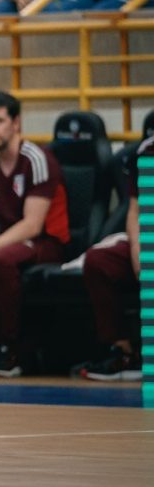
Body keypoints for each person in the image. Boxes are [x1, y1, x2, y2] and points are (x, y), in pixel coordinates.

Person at [0, 90, 69, 377]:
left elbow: (33, 225)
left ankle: (11, 350)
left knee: (3, 259)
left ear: (16, 123)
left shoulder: (36, 158)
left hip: (47, 240)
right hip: (9, 240)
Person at [75, 134, 147, 381]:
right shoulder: (147, 151)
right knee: (98, 261)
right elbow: (135, 210)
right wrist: (138, 253)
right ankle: (123, 352)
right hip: (147, 240)